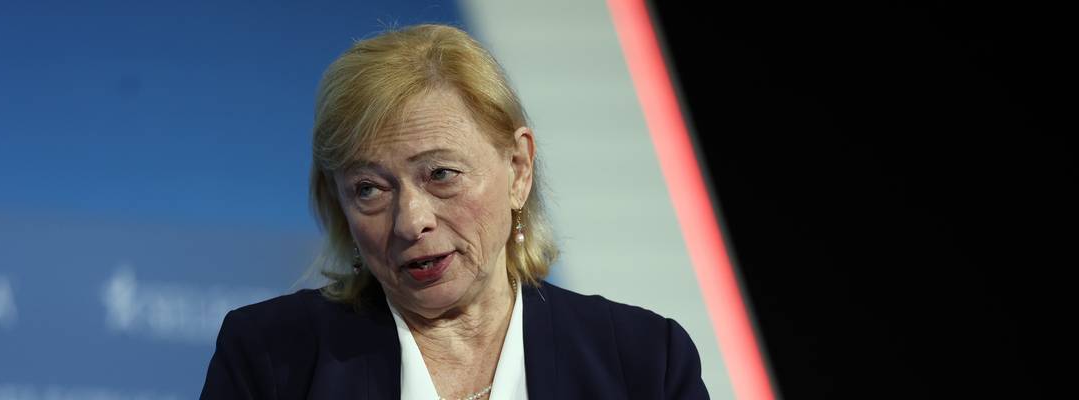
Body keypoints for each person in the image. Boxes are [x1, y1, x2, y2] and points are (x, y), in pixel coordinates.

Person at [199, 23, 710, 400]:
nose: (410, 221)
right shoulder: (271, 361)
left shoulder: (645, 363)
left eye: (440, 175)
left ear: (518, 169)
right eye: (370, 189)